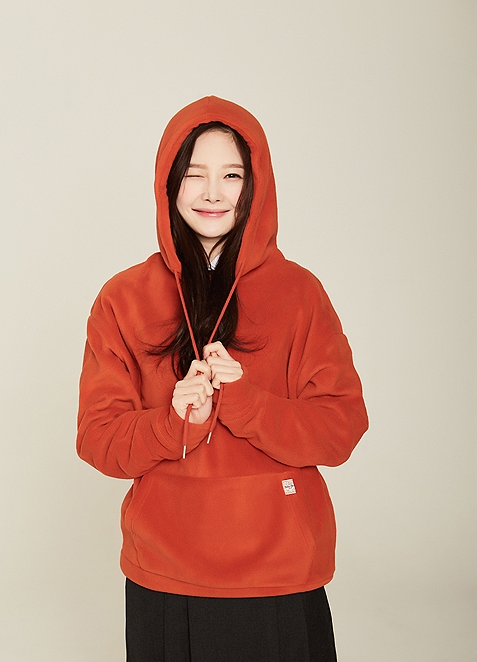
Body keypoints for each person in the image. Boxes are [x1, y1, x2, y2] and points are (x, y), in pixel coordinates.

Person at [77, 96, 368, 661]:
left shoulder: (300, 294)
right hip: (166, 572)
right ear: (169, 183)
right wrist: (170, 423)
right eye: (195, 174)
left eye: (231, 175)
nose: (213, 192)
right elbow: (97, 439)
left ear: (256, 185)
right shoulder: (122, 299)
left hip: (280, 572)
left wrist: (249, 403)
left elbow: (341, 428)